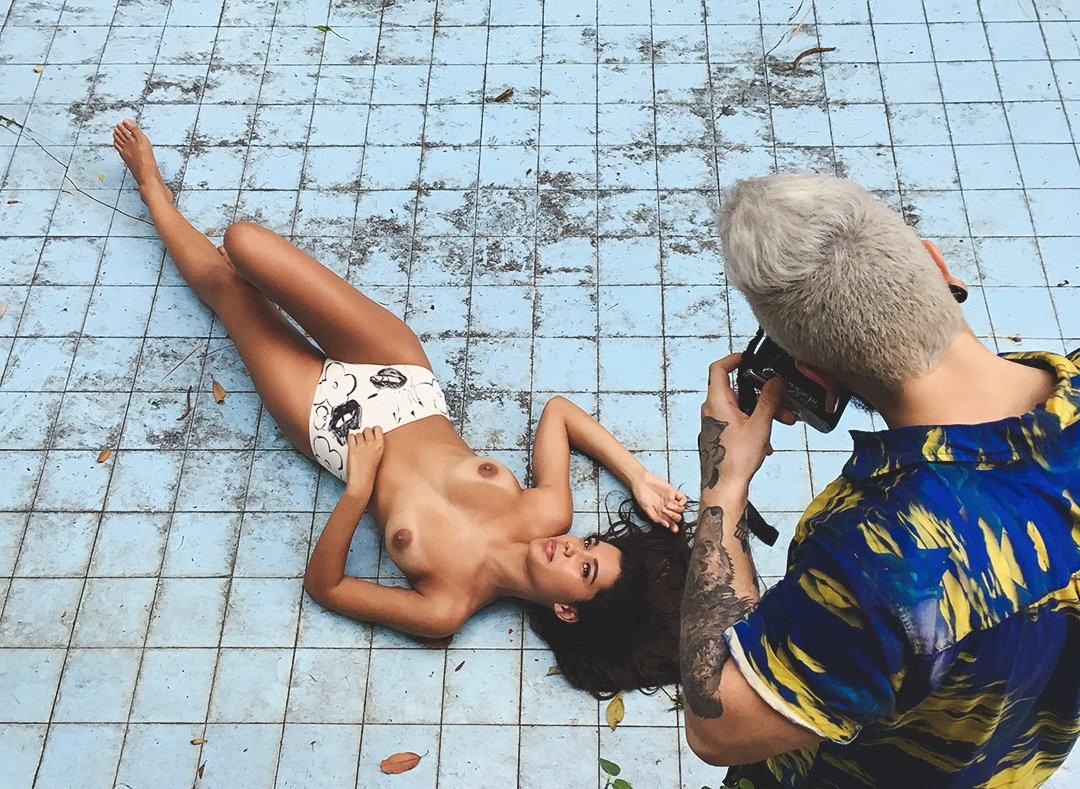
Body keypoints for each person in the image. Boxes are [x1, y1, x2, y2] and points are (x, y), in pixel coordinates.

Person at [111, 119, 689, 684]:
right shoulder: (546, 512)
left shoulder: (446, 606)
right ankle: (197, 229)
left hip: (327, 423)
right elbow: (559, 412)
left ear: (567, 610)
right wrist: (637, 477)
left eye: (584, 568)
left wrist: (359, 489)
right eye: (588, 544)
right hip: (399, 375)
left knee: (230, 292)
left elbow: (326, 587)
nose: (570, 546)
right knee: (244, 243)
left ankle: (152, 191)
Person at [678, 172, 1080, 787]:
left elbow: (719, 727)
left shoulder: (880, 556)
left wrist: (723, 488)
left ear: (813, 375)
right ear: (938, 265)